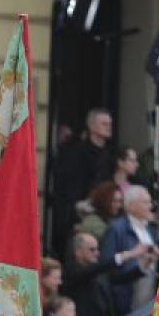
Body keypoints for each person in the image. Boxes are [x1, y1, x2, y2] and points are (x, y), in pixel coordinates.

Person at [53, 107, 115, 250]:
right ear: (91, 126)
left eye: (110, 124)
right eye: (104, 124)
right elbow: (68, 185)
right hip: (80, 211)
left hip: (104, 209)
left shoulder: (111, 154)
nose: (108, 127)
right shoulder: (76, 153)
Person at [98, 186, 159, 316]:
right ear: (130, 206)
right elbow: (106, 263)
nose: (150, 206)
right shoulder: (116, 229)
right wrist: (132, 253)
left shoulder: (151, 229)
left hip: (150, 296)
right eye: (145, 202)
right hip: (125, 297)